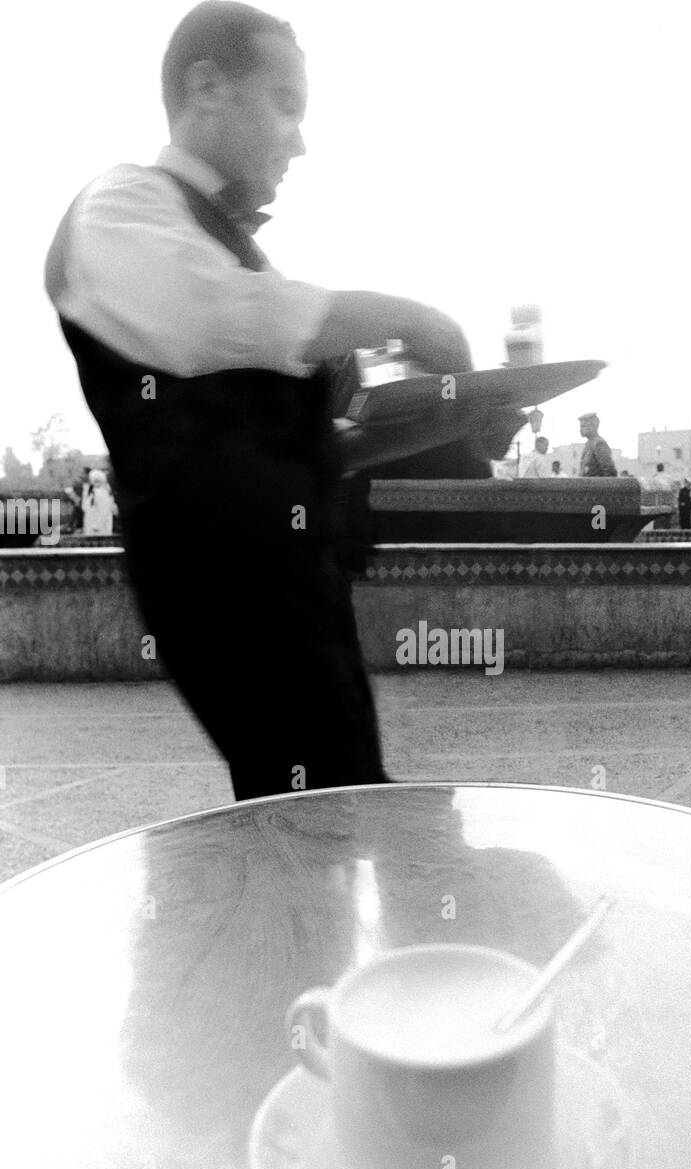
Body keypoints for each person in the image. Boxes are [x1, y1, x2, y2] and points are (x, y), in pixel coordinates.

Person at [44, 0, 511, 802]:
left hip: (296, 588)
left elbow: (301, 444)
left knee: (323, 812)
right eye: (287, 105)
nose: (300, 140)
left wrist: (442, 420)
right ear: (208, 86)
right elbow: (216, 316)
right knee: (321, 818)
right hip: (221, 595)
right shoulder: (117, 206)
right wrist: (414, 318)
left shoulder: (227, 243)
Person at [82, 468, 118, 535]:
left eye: (97, 481)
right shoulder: (92, 492)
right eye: (94, 481)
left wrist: (97, 525)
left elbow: (104, 511)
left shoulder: (103, 493)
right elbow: (85, 508)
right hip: (91, 525)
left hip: (99, 527)